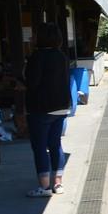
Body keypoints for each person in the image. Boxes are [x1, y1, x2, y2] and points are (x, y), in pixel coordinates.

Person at [24, 22, 70, 197]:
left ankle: (44, 187)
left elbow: (32, 83)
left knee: (40, 147)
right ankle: (58, 184)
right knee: (55, 143)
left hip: (41, 108)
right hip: (61, 107)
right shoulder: (61, 56)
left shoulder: (37, 56)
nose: (32, 37)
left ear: (42, 37)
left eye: (35, 34)